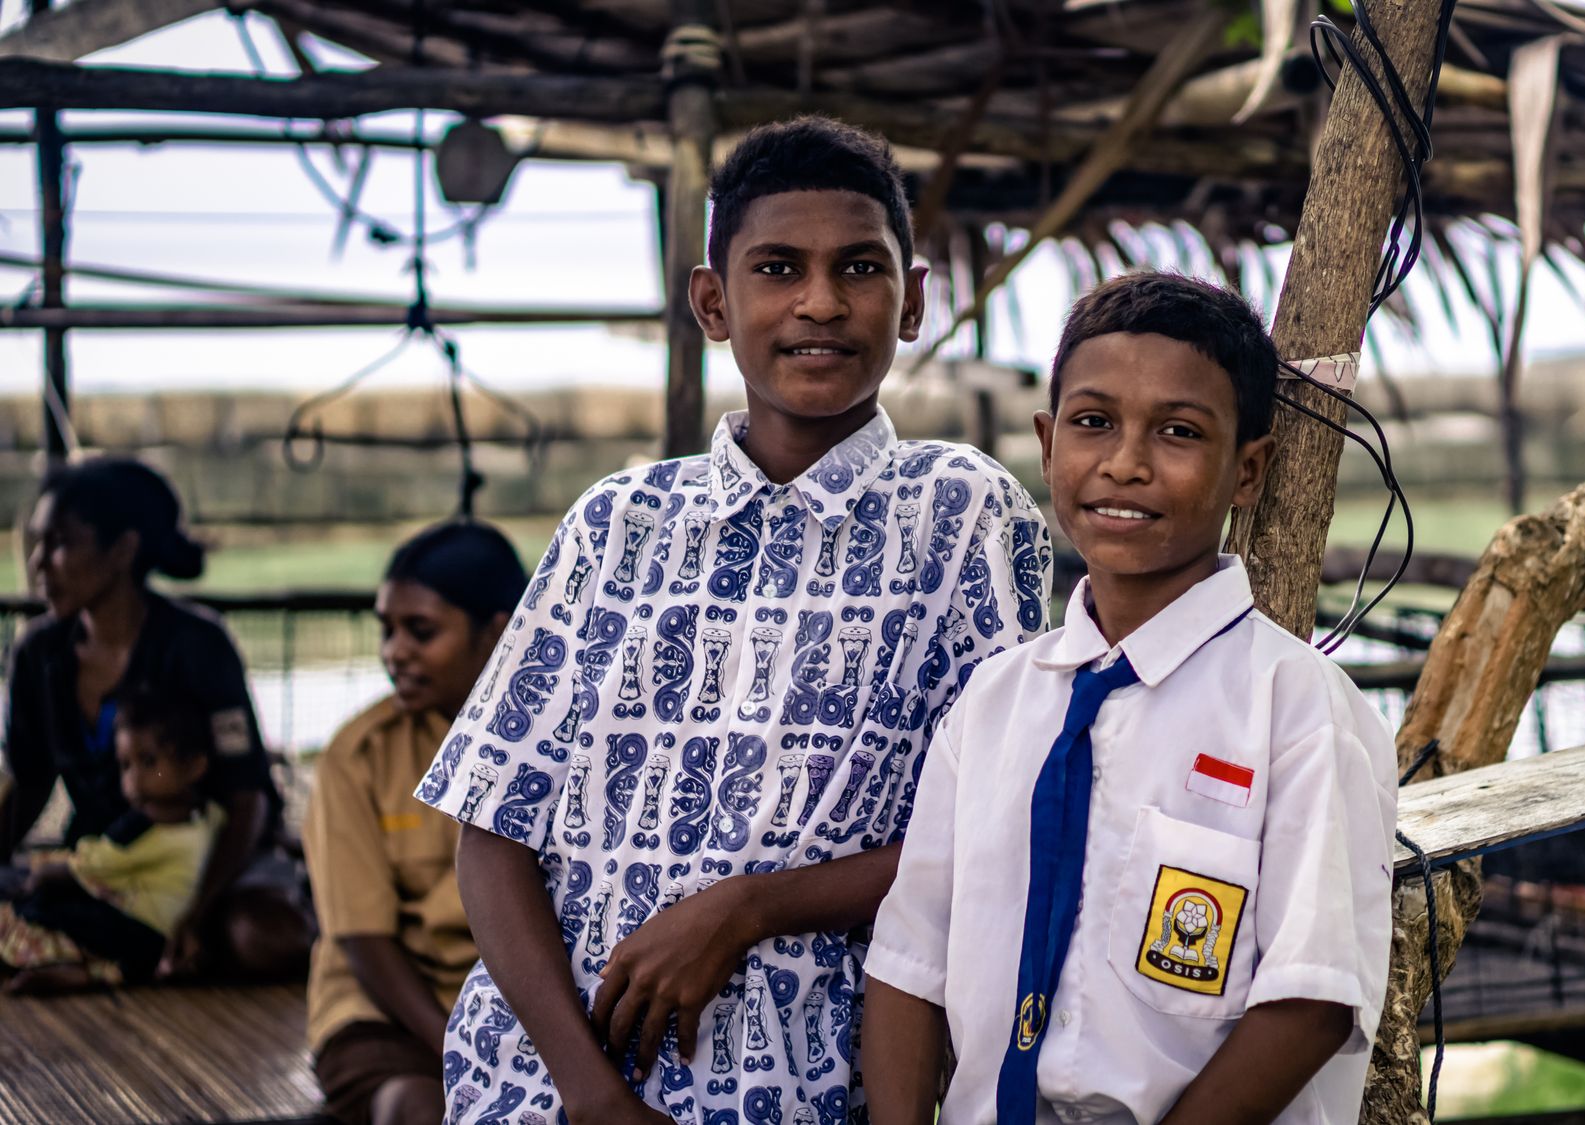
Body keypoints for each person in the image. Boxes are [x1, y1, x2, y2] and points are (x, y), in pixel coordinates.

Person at [416, 116, 1051, 1124]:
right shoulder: (616, 521)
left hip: (804, 1087)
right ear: (713, 302)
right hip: (545, 1081)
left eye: (857, 267)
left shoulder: (962, 513)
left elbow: (988, 830)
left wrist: (747, 909)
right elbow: (492, 833)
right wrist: (587, 1093)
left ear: (914, 298)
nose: (819, 302)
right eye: (776, 268)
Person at [862, 272, 1399, 1125]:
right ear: (1047, 444)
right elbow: (909, 961)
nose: (1125, 462)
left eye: (1178, 432)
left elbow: (1310, 998)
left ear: (1248, 469)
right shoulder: (997, 703)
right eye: (1093, 422)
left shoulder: (1295, 709)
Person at [0, 457, 312, 980]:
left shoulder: (198, 644)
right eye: (36, 543)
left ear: (123, 549)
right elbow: (28, 780)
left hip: (209, 859)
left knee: (261, 938)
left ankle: (134, 950)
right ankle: (141, 952)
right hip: (118, 865)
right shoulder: (39, 653)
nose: (38, 563)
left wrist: (197, 908)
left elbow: (246, 797)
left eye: (58, 544)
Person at [304, 521, 527, 1125]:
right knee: (415, 1106)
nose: (394, 651)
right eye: (387, 630)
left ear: (497, 633)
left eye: (420, 632)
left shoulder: (557, 746)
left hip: (522, 1003)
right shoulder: (359, 754)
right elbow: (363, 941)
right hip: (389, 1010)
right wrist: (462, 1052)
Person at [0, 691, 222, 993]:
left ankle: (60, 966)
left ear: (194, 766)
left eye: (149, 762)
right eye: (125, 766)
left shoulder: (141, 829)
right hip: (155, 950)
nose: (133, 779)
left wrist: (36, 876)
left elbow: (86, 867)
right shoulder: (211, 816)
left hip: (132, 936)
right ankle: (94, 973)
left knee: (38, 904)